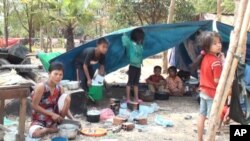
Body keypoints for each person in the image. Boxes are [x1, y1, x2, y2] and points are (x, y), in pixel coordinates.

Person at [191, 31, 224, 141]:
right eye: (215, 43)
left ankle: (200, 139)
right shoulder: (216, 62)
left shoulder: (205, 58)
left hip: (203, 92)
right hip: (211, 94)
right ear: (207, 46)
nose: (219, 45)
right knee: (212, 119)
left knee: (202, 115)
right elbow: (217, 81)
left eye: (219, 42)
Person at [29, 62, 74, 138]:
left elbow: (65, 105)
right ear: (49, 74)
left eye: (60, 75)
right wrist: (52, 114)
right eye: (55, 74)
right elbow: (34, 105)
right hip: (40, 119)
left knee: (67, 97)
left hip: (55, 119)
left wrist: (72, 119)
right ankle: (49, 130)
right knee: (36, 134)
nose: (58, 77)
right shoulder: (41, 87)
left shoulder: (60, 88)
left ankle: (59, 124)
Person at [122, 28, 145, 103]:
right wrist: (124, 33)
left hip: (138, 66)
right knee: (130, 82)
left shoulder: (140, 45)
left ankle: (136, 98)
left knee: (136, 83)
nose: (141, 40)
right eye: (140, 38)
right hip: (132, 66)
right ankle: (128, 99)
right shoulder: (131, 44)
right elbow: (125, 39)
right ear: (136, 37)